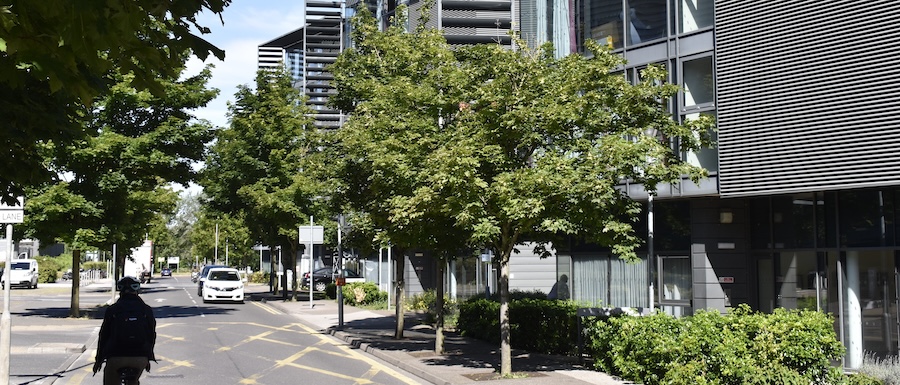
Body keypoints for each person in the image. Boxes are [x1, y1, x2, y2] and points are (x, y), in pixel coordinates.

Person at [93, 276, 157, 385]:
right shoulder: (146, 309)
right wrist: (148, 356)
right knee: (134, 380)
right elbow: (151, 335)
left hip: (116, 356)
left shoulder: (112, 310)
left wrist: (98, 360)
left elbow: (103, 336)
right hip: (140, 357)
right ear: (137, 290)